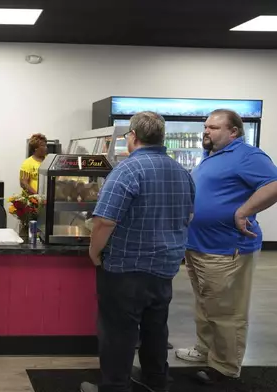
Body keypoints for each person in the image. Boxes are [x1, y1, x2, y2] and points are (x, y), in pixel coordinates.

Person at [80, 111, 195, 392]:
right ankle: (156, 381)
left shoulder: (127, 170)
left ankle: (115, 387)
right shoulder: (182, 172)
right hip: (165, 266)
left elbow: (105, 220)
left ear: (132, 137)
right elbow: (188, 217)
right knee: (156, 328)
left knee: (119, 332)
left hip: (125, 268)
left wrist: (95, 252)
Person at [175, 109, 277, 385]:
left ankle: (224, 368)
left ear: (233, 132)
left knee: (227, 311)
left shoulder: (248, 155)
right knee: (206, 304)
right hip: (198, 247)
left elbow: (274, 184)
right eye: (206, 126)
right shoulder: (211, 157)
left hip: (226, 249)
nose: (206, 131)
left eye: (214, 127)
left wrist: (243, 211)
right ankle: (205, 350)